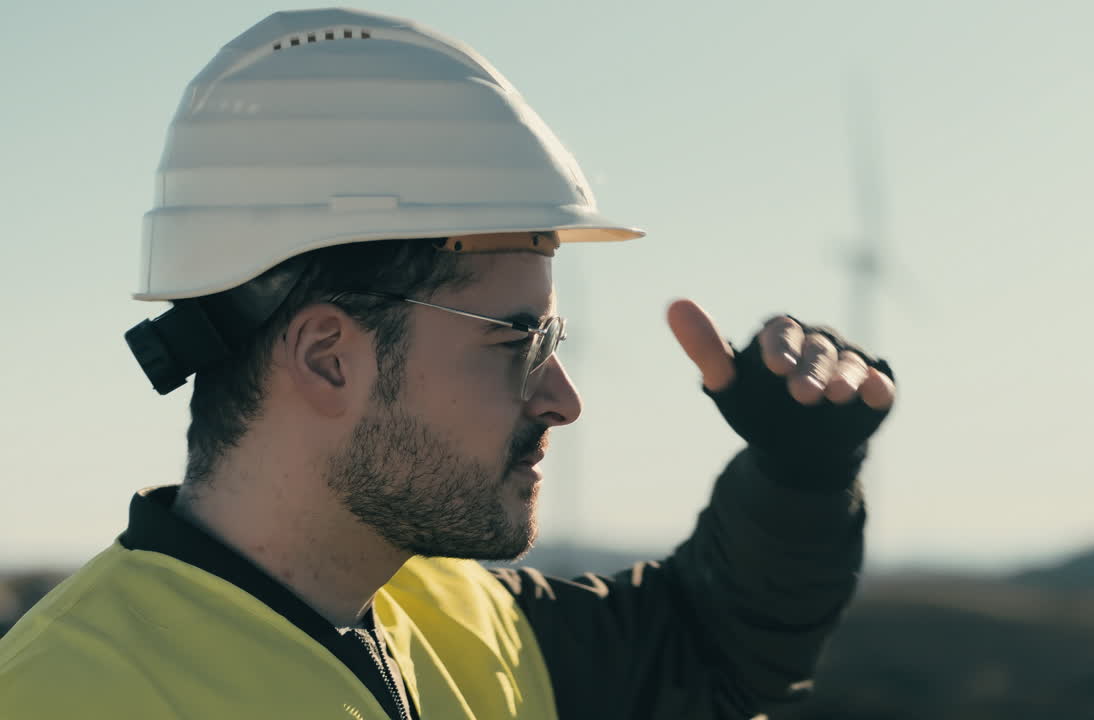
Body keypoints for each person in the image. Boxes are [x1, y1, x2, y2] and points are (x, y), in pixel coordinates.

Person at [0, 8, 896, 720]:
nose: (563, 400)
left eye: (554, 344)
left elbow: (705, 656)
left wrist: (800, 476)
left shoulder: (462, 625)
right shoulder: (62, 697)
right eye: (518, 342)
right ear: (328, 359)